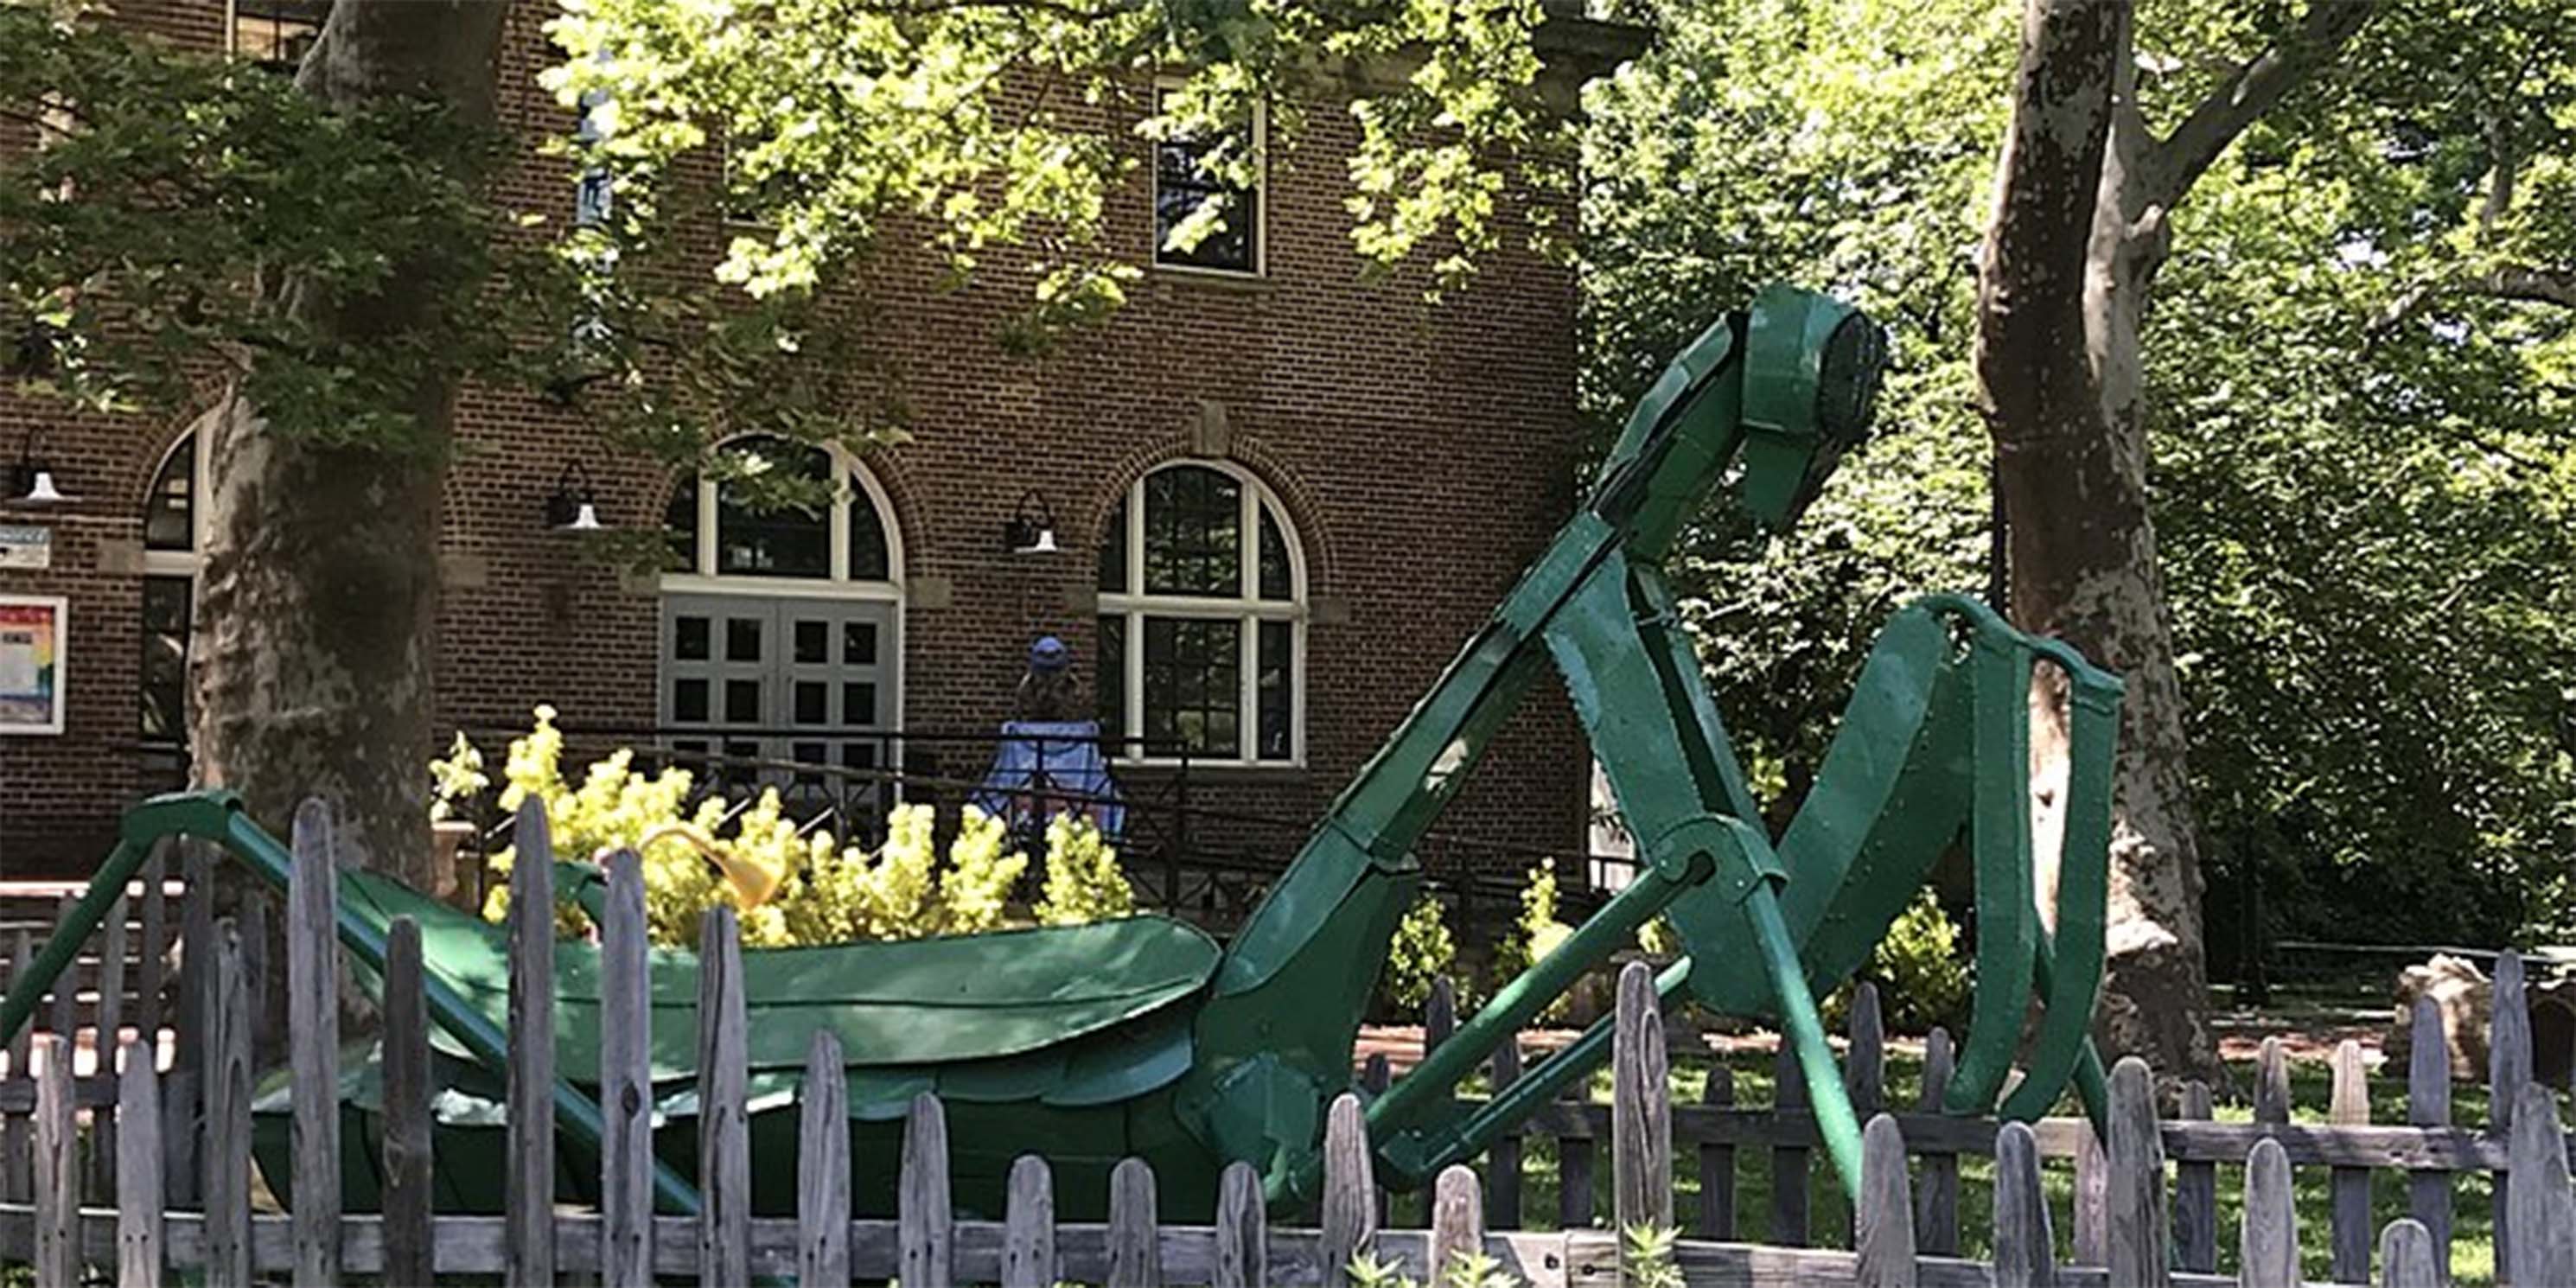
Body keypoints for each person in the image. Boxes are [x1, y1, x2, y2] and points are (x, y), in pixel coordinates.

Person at [1012, 634, 1086, 722]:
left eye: (1055, 673)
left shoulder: (1073, 685)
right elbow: (1020, 708)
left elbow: (1081, 708)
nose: (1050, 677)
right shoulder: (1027, 684)